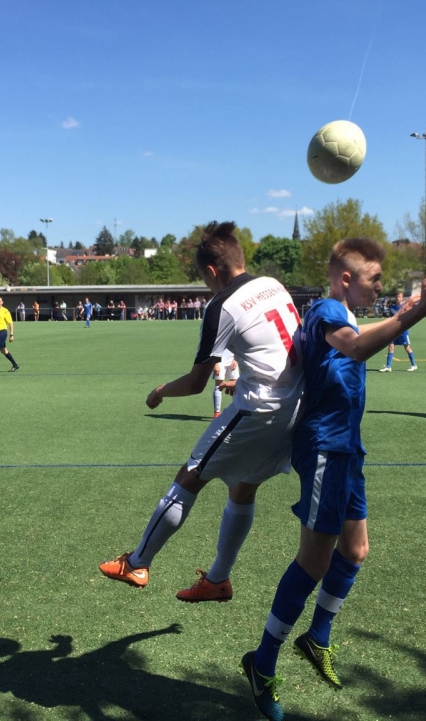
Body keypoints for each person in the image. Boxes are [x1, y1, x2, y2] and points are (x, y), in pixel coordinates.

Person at [242, 239, 426, 721]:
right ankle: (262, 663)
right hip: (325, 449)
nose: (380, 286)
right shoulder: (328, 310)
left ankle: (317, 637)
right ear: (346, 279)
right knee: (314, 561)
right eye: (375, 279)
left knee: (355, 551)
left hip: (348, 448)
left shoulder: (344, 315)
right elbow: (354, 346)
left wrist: (406, 311)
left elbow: (358, 336)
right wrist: (415, 314)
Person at [100, 221, 304, 604]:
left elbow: (196, 383)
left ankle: (138, 563)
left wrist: (160, 391)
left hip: (259, 410)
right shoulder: (274, 285)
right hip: (297, 405)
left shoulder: (221, 305)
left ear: (211, 271)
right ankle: (218, 579)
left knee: (190, 475)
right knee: (243, 487)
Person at [378, 291, 419, 372]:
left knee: (407, 347)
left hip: (403, 330)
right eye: (397, 296)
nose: (397, 298)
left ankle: (414, 365)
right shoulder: (392, 306)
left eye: (399, 296)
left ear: (402, 298)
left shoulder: (405, 307)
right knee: (391, 346)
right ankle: (388, 366)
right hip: (394, 330)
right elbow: (391, 317)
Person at [212, 348, 239, 419]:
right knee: (219, 385)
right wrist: (215, 363)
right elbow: (213, 346)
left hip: (232, 359)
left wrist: (236, 359)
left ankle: (236, 410)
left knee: (235, 385)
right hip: (219, 361)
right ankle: (217, 412)